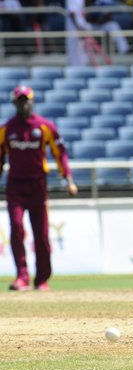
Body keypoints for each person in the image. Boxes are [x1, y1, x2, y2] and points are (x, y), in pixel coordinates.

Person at [0, 86, 78, 292]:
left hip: (38, 186)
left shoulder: (45, 126)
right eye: (20, 100)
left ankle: (42, 279)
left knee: (41, 234)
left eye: (27, 100)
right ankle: (22, 277)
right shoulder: (7, 129)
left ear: (32, 102)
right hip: (15, 186)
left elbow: (60, 153)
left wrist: (68, 179)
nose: (24, 104)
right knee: (16, 228)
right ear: (14, 103)